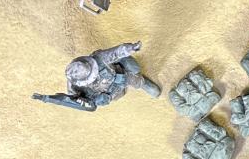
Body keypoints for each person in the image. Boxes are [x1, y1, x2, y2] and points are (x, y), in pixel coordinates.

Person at [32, 41, 161, 112]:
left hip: (119, 73)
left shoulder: (98, 59)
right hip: (108, 92)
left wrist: (130, 48)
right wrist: (99, 100)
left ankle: (143, 83)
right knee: (119, 93)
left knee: (134, 70)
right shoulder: (74, 87)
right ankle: (129, 85)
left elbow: (115, 53)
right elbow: (79, 102)